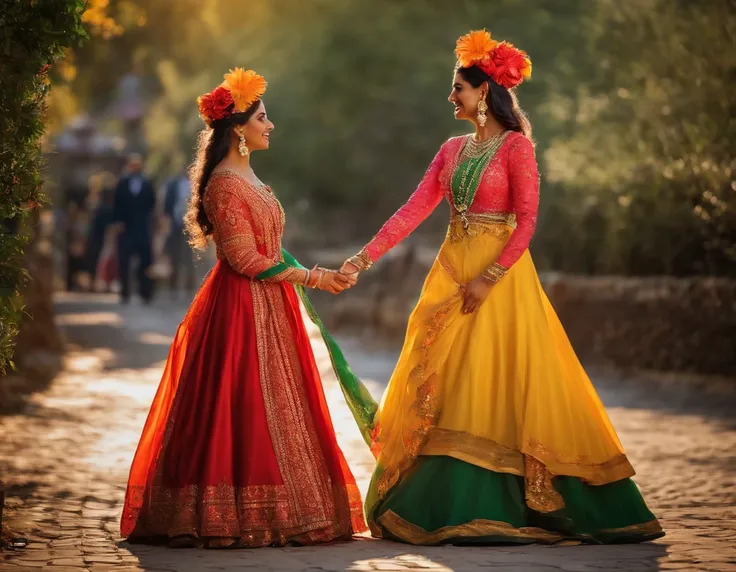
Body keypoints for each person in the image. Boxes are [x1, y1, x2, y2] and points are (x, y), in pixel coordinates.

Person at [341, 30, 664, 545]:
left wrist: (490, 278)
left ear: (484, 93)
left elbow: (528, 219)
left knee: (500, 378)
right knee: (449, 383)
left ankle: (532, 501)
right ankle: (444, 502)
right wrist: (362, 260)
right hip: (450, 274)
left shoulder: (517, 148)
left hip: (502, 280)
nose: (452, 97)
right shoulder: (450, 150)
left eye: (459, 89)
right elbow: (412, 210)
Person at [121, 68, 375, 548]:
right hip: (239, 310)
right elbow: (243, 259)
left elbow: (272, 249)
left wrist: (314, 275)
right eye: (262, 117)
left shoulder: (249, 177)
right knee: (238, 405)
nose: (270, 124)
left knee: (282, 406)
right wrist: (313, 277)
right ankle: (224, 515)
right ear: (238, 127)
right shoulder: (224, 184)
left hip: (272, 307)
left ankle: (294, 509)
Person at [113, 153, 156, 304]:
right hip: (126, 228)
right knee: (124, 261)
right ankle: (125, 293)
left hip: (143, 228)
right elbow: (116, 204)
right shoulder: (122, 182)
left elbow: (152, 203)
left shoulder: (147, 182)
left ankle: (146, 293)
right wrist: (118, 221)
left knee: (145, 262)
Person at [163, 169, 197, 294]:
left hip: (191, 224)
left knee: (190, 255)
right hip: (175, 223)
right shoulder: (174, 184)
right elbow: (167, 206)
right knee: (174, 254)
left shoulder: (196, 183)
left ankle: (189, 283)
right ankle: (173, 282)